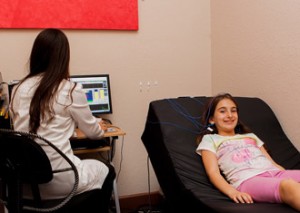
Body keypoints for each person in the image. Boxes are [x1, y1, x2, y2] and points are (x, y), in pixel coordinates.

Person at [9, 28, 115, 211]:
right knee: (107, 170)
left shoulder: (18, 88)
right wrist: (99, 125)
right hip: (59, 181)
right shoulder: (69, 89)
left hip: (22, 184)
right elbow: (94, 133)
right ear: (63, 57)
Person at [196, 93, 300, 211]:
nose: (230, 115)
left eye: (233, 111)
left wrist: (285, 175)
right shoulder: (210, 139)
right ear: (212, 119)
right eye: (222, 111)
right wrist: (232, 192)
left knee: (290, 182)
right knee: (288, 186)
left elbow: (272, 163)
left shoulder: (251, 137)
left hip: (274, 173)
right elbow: (213, 173)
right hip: (248, 180)